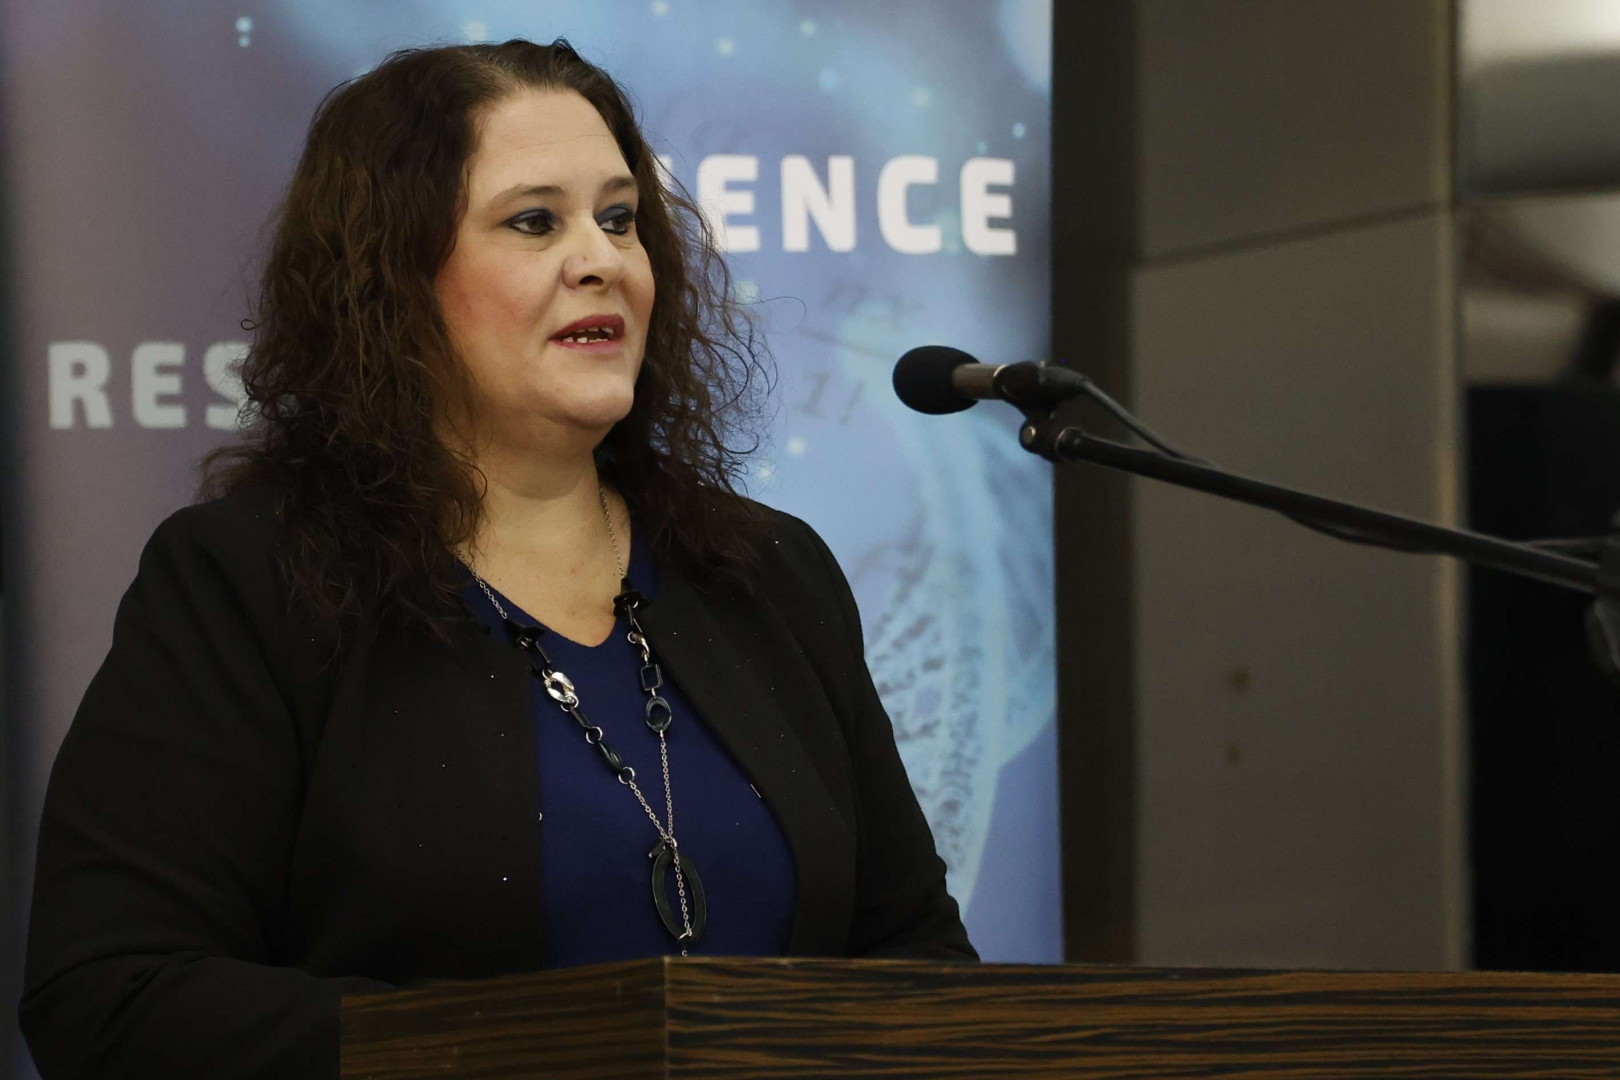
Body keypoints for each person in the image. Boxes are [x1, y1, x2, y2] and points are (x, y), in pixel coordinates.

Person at [19, 38, 975, 1080]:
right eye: (534, 222)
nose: (601, 260)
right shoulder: (252, 583)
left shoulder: (770, 572)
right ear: (395, 280)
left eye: (620, 219)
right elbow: (113, 995)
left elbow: (919, 960)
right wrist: (526, 1052)